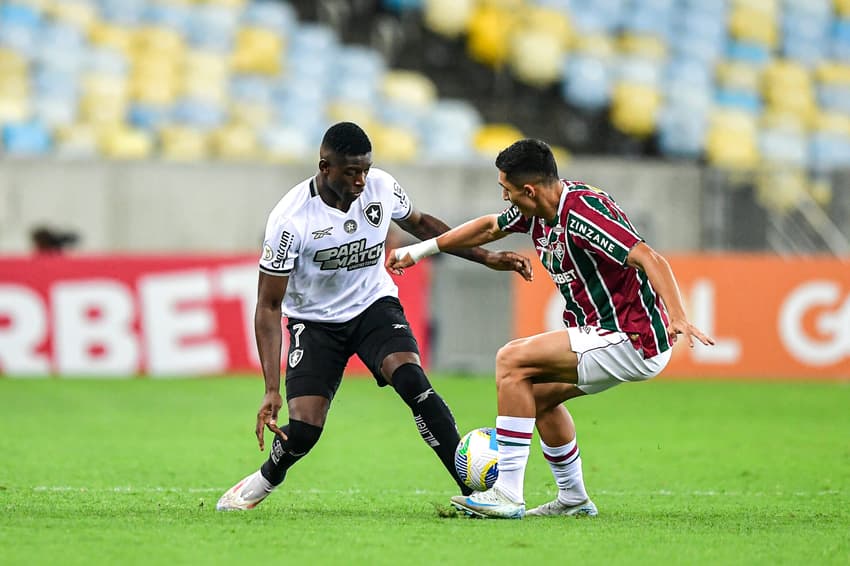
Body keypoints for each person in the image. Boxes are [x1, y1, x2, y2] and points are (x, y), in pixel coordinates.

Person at [387, 138, 715, 519]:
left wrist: (677, 314)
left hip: (629, 335)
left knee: (511, 360)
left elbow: (648, 257)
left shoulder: (584, 213)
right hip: (606, 332)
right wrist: (419, 250)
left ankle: (507, 493)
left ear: (529, 189)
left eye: (506, 191)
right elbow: (490, 227)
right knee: (534, 395)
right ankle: (574, 498)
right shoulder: (539, 209)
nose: (505, 199)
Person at [216, 122, 533, 511]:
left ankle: (480, 496)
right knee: (303, 430)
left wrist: (487, 257)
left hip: (373, 306)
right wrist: (270, 388)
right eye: (351, 172)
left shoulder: (381, 187)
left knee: (414, 382)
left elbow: (421, 225)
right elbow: (268, 306)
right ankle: (266, 478)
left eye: (365, 169)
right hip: (315, 323)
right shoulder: (290, 219)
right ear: (325, 166)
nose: (361, 180)